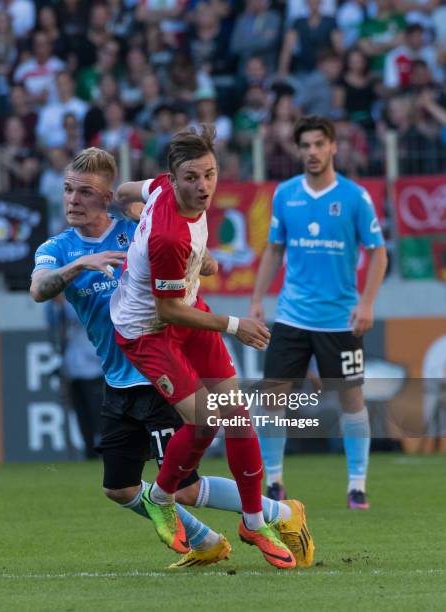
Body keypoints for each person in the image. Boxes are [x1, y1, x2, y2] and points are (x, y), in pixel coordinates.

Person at [30, 147, 314, 569]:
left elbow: (185, 251)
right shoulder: (58, 248)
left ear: (108, 198)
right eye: (69, 190)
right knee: (121, 488)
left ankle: (274, 515)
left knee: (185, 481)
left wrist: (203, 261)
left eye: (85, 192)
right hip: (118, 379)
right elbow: (39, 288)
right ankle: (212, 539)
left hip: (158, 369)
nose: (73, 199)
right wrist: (80, 266)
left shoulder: (136, 228)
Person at [109, 125, 313, 569]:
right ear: (173, 176)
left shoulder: (162, 187)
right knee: (205, 420)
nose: (203, 187)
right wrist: (234, 324)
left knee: (237, 417)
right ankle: (161, 497)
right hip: (148, 330)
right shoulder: (168, 238)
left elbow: (125, 190)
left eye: (210, 174)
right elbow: (166, 313)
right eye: (192, 178)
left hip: (186, 305)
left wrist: (134, 211)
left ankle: (254, 521)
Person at [249, 115, 387, 509]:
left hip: (339, 318)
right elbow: (274, 249)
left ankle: (357, 486)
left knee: (350, 399)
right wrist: (258, 299)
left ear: (333, 147)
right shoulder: (285, 194)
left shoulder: (355, 197)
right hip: (292, 316)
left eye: (318, 145)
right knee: (273, 397)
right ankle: (273, 482)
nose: (311, 152)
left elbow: (378, 254)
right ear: (299, 150)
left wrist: (367, 302)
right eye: (305, 146)